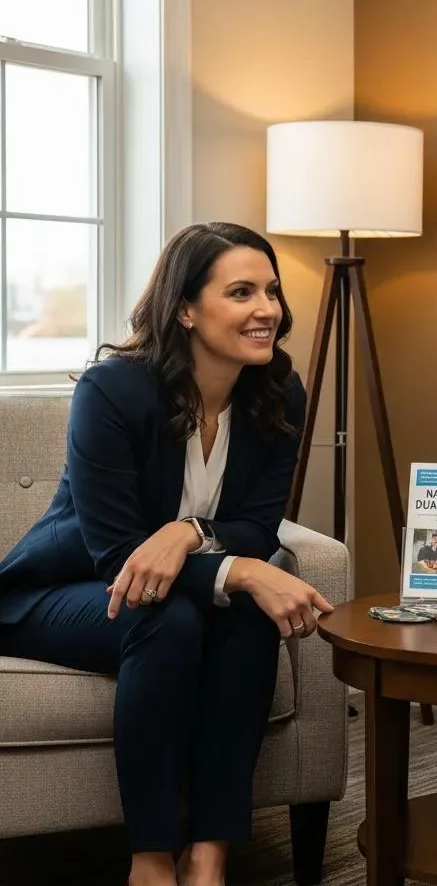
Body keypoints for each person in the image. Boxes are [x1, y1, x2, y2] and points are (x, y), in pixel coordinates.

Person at [0, 222, 334, 886]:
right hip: (58, 591)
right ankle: (150, 862)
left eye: (271, 291)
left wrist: (189, 532)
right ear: (185, 307)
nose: (267, 309)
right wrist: (237, 567)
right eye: (241, 292)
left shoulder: (280, 392)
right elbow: (115, 553)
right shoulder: (112, 392)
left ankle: (209, 855)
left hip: (161, 583)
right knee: (167, 619)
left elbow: (259, 524)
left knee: (245, 617)